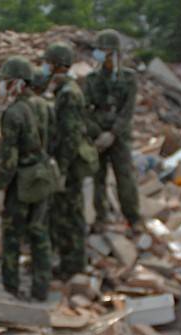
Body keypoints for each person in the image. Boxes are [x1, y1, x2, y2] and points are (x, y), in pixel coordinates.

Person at [0, 56, 53, 301]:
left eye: (7, 81)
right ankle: (41, 289)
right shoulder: (44, 105)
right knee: (39, 233)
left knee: (12, 236)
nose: (3, 86)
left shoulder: (13, 113)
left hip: (20, 181)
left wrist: (0, 187)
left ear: (18, 83)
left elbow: (9, 158)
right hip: (43, 175)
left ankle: (11, 288)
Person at [84, 29, 140, 232]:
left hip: (120, 135)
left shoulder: (128, 78)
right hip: (98, 135)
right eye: (100, 51)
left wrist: (113, 133)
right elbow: (85, 109)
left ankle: (133, 218)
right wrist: (97, 133)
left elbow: (128, 110)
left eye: (106, 51)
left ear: (116, 53)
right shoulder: (91, 79)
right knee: (98, 178)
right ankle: (101, 218)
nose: (103, 56)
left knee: (125, 177)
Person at [44, 42, 87, 279]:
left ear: (57, 65)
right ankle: (70, 261)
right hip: (66, 163)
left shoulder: (69, 94)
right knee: (65, 213)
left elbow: (70, 136)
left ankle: (74, 265)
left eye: (48, 63)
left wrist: (62, 168)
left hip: (69, 165)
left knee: (70, 214)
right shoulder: (65, 91)